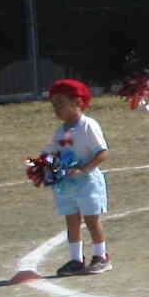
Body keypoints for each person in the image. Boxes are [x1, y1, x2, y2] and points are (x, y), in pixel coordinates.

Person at [44, 79, 110, 276]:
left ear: (78, 103)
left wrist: (83, 169)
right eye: (54, 105)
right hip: (67, 185)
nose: (56, 108)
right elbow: (55, 153)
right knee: (71, 220)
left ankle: (101, 257)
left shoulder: (88, 125)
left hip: (87, 182)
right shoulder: (60, 131)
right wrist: (47, 166)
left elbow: (102, 152)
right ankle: (76, 260)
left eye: (61, 103)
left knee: (92, 219)